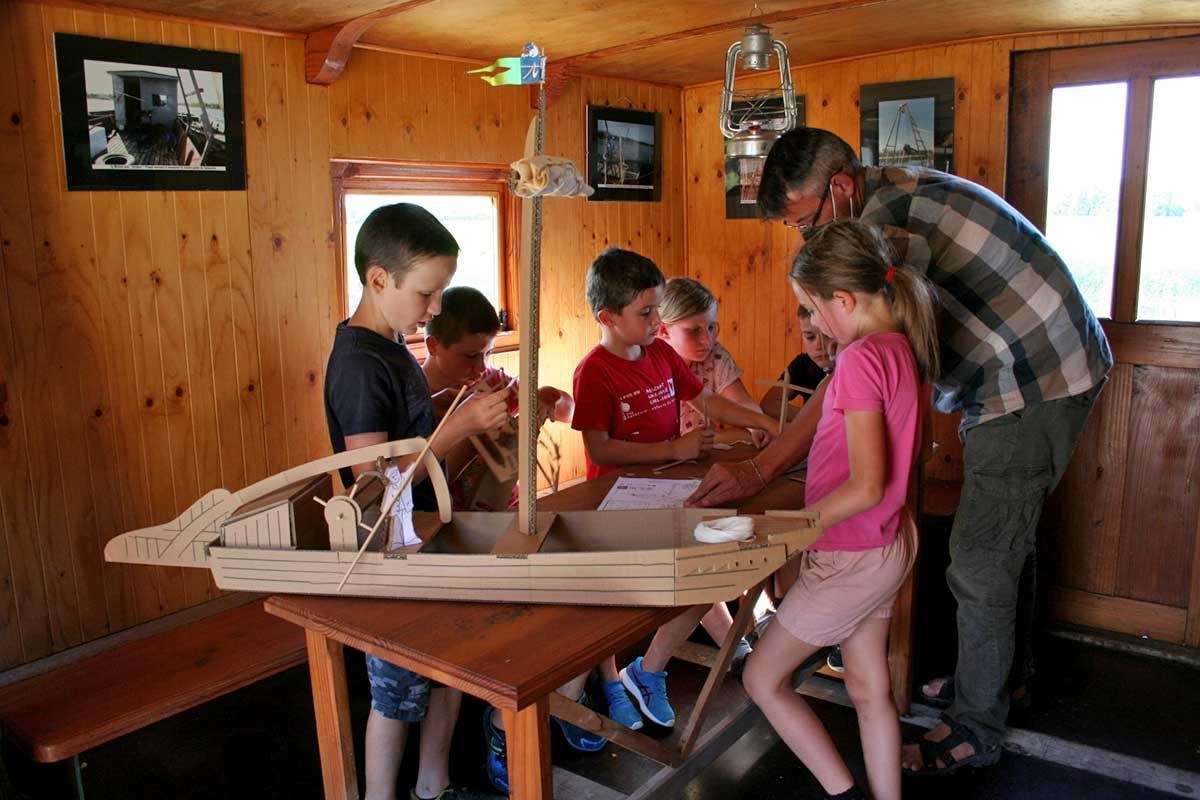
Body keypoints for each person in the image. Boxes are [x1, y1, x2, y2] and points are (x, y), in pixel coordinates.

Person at [688, 127, 1111, 775]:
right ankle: (1000, 681)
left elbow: (848, 381)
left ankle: (975, 726)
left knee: (982, 558)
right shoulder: (887, 203)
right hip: (1035, 367)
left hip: (1036, 377)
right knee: (1004, 544)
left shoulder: (885, 233)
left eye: (805, 224)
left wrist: (767, 471)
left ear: (841, 188)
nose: (806, 240)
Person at [744, 219, 935, 800]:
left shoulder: (858, 359)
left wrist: (797, 526)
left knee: (762, 678)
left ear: (844, 300)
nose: (815, 324)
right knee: (869, 688)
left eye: (812, 308)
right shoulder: (900, 344)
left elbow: (867, 484)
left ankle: (843, 794)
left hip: (851, 551)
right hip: (887, 542)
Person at [324, 203, 507, 800]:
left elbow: (409, 431)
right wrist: (458, 428)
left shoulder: (392, 345)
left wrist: (455, 404)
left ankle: (435, 785)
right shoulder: (358, 364)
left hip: (426, 534)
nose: (435, 307)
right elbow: (372, 482)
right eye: (427, 293)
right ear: (379, 279)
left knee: (448, 671)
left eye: (440, 292)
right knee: (397, 693)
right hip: (387, 552)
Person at [572, 247, 779, 731]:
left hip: (668, 492)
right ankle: (616, 680)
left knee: (711, 572)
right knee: (624, 599)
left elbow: (707, 401)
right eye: (646, 313)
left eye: (656, 310)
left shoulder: (662, 354)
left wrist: (763, 421)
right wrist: (672, 449)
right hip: (616, 505)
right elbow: (599, 448)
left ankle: (648, 670)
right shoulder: (594, 371)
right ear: (608, 317)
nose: (655, 321)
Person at [419, 286, 600, 793]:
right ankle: (503, 727)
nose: (481, 366)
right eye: (469, 355)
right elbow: (421, 471)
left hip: (515, 520)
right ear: (433, 346)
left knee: (590, 587)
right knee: (501, 630)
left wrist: (551, 402)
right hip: (455, 537)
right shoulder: (422, 402)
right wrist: (468, 426)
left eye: (488, 353)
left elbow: (563, 406)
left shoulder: (493, 382)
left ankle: (560, 702)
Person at [759, 305, 834, 425]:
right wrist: (811, 421)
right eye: (810, 337)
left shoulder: (851, 365)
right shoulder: (804, 364)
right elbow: (769, 404)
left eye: (826, 335)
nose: (819, 346)